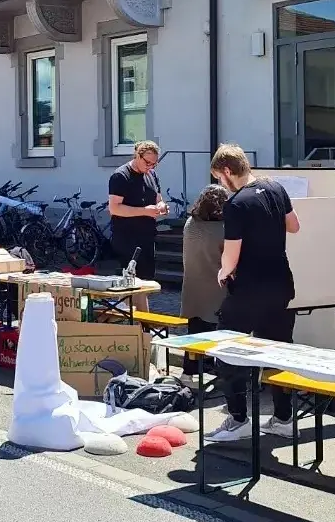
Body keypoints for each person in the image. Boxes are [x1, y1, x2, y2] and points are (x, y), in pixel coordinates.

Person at [206, 144, 301, 444]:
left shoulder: (235, 204)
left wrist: (222, 272)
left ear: (227, 172)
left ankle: (237, 419)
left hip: (249, 288)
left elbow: (231, 256)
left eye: (220, 179)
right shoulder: (275, 187)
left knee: (227, 351)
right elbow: (294, 226)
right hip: (281, 285)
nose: (221, 185)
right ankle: (284, 419)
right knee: (277, 351)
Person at [108, 140, 168, 281]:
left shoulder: (152, 174)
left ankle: (142, 304)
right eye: (148, 163)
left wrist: (161, 206)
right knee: (131, 282)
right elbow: (114, 208)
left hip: (147, 237)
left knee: (146, 282)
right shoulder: (120, 176)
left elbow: (158, 198)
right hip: (127, 239)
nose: (151, 167)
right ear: (137, 156)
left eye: (154, 164)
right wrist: (144, 211)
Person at [180, 184, 230, 333]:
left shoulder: (190, 224)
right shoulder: (223, 229)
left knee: (194, 342)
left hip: (193, 293)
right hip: (217, 294)